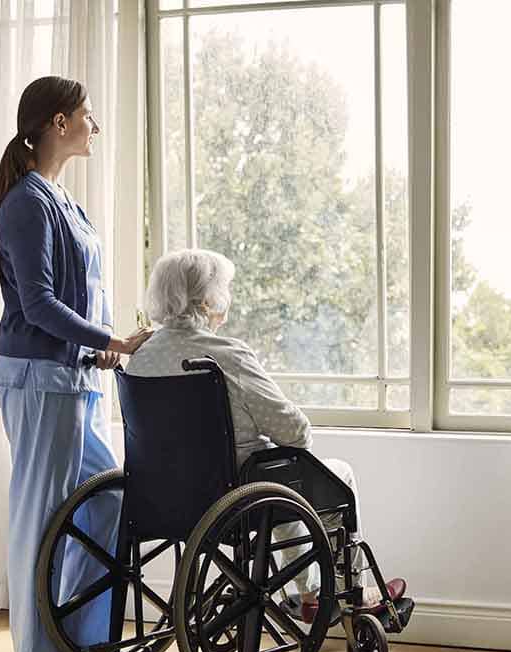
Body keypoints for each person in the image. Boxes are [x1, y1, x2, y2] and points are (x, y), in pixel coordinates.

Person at [0, 76, 152, 652]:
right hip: (37, 380)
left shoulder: (61, 199)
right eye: (86, 116)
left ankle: (73, 635)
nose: (93, 127)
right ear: (58, 123)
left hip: (69, 377)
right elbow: (39, 303)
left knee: (108, 497)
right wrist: (110, 340)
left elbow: (74, 297)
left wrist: (98, 347)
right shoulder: (26, 202)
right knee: (41, 512)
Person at [125, 248, 406, 621]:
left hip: (161, 496)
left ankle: (310, 591)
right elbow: (294, 432)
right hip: (235, 497)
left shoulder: (141, 357)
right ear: (209, 299)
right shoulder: (226, 355)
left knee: (279, 475)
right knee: (327, 475)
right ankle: (330, 592)